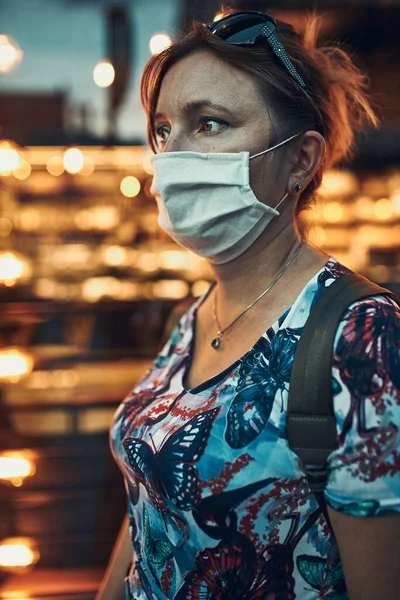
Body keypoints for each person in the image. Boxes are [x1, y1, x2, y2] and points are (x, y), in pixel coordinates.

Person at [104, 9, 400, 600]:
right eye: (163, 130)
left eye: (210, 124)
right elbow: (150, 503)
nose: (173, 156)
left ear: (300, 160)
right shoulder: (192, 316)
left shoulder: (360, 336)